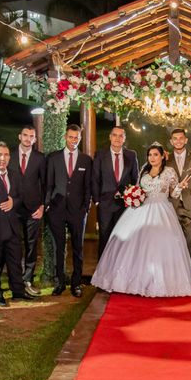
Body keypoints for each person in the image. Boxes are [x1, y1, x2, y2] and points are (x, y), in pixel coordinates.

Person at [91, 143, 191, 297]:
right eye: (150, 155)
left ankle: (160, 282)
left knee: (159, 245)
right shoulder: (144, 170)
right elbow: (138, 189)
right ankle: (133, 280)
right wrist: (132, 195)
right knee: (134, 245)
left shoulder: (169, 171)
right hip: (141, 210)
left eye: (156, 154)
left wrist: (180, 187)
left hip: (161, 210)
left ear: (162, 156)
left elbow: (174, 194)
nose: (152, 158)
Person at [0, 143, 35, 306]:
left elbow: (20, 197)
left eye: (5, 155)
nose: (2, 158)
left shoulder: (14, 175)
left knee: (14, 260)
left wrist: (14, 202)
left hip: (13, 227)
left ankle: (18, 291)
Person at [46, 124, 92, 298]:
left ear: (80, 138)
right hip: (56, 210)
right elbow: (49, 184)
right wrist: (48, 205)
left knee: (78, 248)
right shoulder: (53, 158)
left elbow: (88, 187)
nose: (73, 140)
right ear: (65, 137)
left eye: (76, 137)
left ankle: (76, 283)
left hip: (77, 211)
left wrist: (85, 208)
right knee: (59, 247)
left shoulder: (86, 160)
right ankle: (59, 283)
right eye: (71, 137)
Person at [8, 125, 45, 296]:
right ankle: (15, 280)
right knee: (14, 245)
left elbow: (45, 184)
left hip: (33, 209)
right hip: (13, 209)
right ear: (19, 136)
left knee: (31, 245)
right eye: (25, 135)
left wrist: (42, 206)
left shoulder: (40, 158)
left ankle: (27, 279)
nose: (28, 138)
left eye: (31, 136)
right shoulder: (9, 156)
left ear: (35, 139)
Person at [92, 126, 139, 257]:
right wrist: (96, 201)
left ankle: (119, 268)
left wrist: (130, 197)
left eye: (120, 136)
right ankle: (102, 269)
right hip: (105, 204)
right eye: (115, 135)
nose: (117, 138)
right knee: (104, 236)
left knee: (122, 238)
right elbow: (95, 178)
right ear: (110, 137)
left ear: (124, 139)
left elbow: (135, 178)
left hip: (124, 204)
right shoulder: (100, 154)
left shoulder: (131, 154)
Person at [165, 129, 191, 277]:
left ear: (186, 140)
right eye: (175, 139)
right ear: (171, 141)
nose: (178, 141)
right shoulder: (166, 159)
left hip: (190, 205)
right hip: (171, 205)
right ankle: (174, 271)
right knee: (172, 239)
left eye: (181, 138)